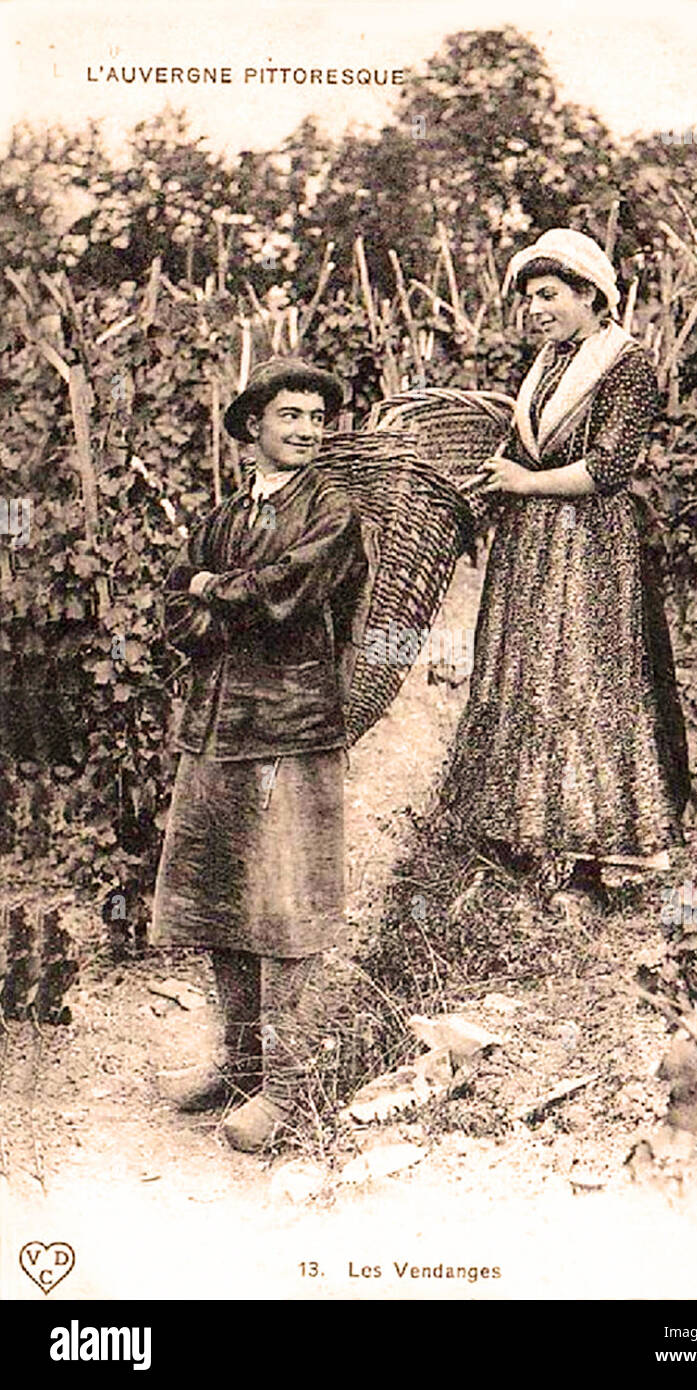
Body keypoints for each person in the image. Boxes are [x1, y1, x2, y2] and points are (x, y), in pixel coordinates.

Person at [150, 358, 369, 1152]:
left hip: (289, 723)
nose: (309, 430)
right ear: (253, 427)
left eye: (319, 417)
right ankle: (238, 1068)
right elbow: (176, 609)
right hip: (216, 725)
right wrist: (210, 596)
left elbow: (288, 596)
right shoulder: (222, 515)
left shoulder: (333, 511)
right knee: (219, 901)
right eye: (292, 416)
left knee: (284, 909)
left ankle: (287, 1089)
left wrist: (217, 592)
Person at [440, 229, 690, 897]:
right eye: (529, 299)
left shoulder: (625, 363)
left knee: (583, 681)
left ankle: (598, 860)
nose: (535, 310)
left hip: (590, 547)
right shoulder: (548, 362)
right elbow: (528, 445)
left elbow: (610, 466)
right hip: (535, 545)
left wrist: (523, 484)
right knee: (530, 679)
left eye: (548, 295)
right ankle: (527, 836)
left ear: (591, 295)